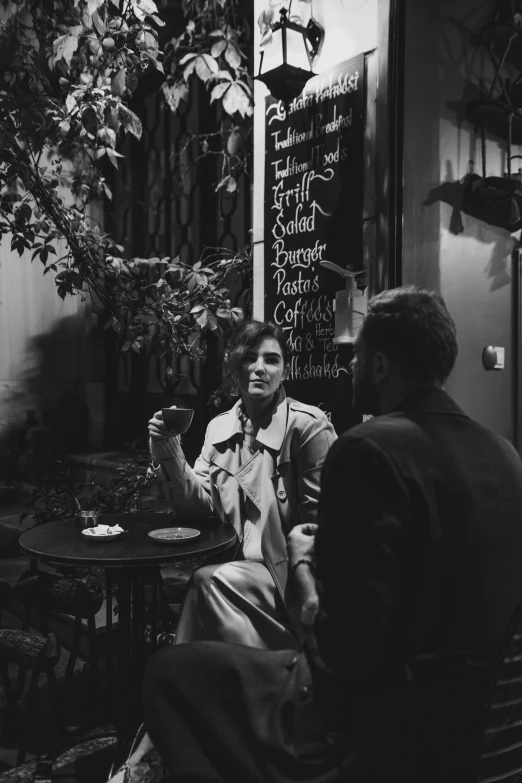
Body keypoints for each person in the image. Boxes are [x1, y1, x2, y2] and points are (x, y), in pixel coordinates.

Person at [142, 286, 522, 783]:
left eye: (358, 354)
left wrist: (301, 562)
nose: (349, 367)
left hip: (376, 723)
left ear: (381, 365)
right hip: (480, 725)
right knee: (211, 590)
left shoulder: (366, 448)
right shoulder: (505, 454)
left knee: (169, 672)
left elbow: (340, 649)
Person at [148, 319, 336, 650]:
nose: (259, 368)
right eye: (249, 357)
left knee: (207, 582)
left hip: (287, 578)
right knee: (206, 581)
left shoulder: (308, 429)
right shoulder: (219, 429)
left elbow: (323, 529)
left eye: (272, 359)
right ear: (235, 367)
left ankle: (188, 678)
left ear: (285, 372)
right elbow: (198, 505)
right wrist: (168, 447)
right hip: (231, 567)